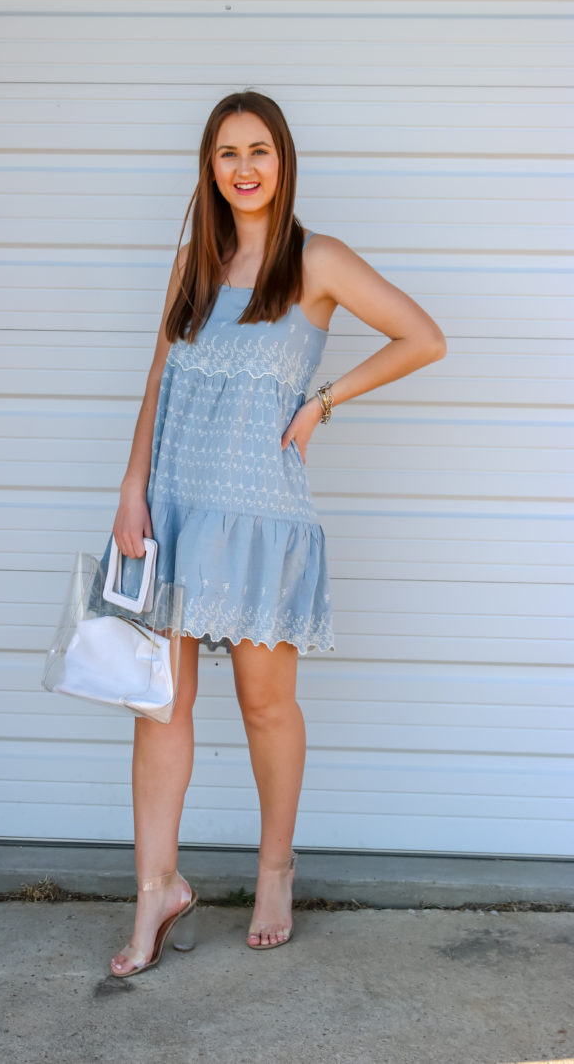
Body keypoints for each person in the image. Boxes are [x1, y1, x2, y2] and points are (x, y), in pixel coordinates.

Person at [108, 91, 447, 977]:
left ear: (283, 160)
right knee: (160, 708)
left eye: (259, 150)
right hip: (175, 508)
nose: (244, 167)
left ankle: (274, 872)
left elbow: (423, 336)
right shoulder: (193, 262)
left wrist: (324, 402)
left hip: (261, 517)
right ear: (210, 170)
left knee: (264, 706)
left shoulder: (318, 260)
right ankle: (155, 893)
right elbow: (158, 384)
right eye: (227, 154)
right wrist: (132, 488)